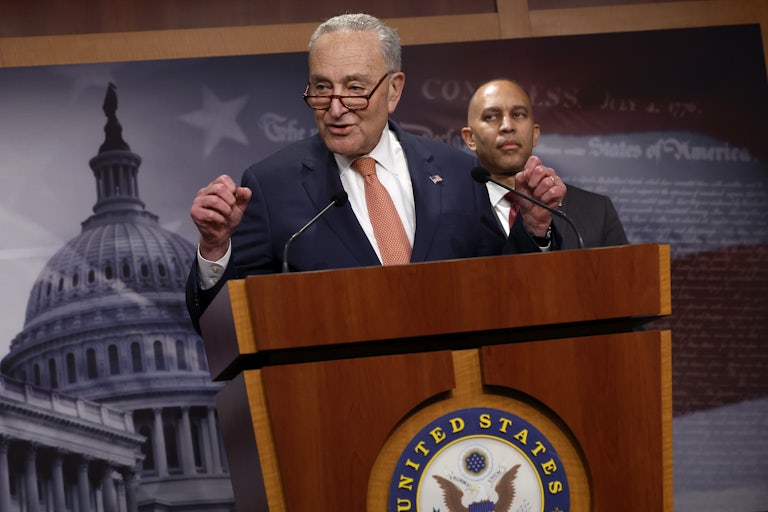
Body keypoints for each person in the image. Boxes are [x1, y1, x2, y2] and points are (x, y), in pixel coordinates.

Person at [186, 15, 565, 332]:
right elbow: (226, 328)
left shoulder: (458, 172)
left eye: (354, 89)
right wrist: (216, 251)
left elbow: (503, 290)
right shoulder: (270, 186)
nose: (335, 109)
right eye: (321, 88)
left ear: (394, 90)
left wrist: (532, 231)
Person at [461, 78, 628, 249]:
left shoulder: (596, 211)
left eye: (518, 114)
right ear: (470, 138)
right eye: (491, 117)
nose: (507, 126)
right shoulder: (450, 214)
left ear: (535, 134)